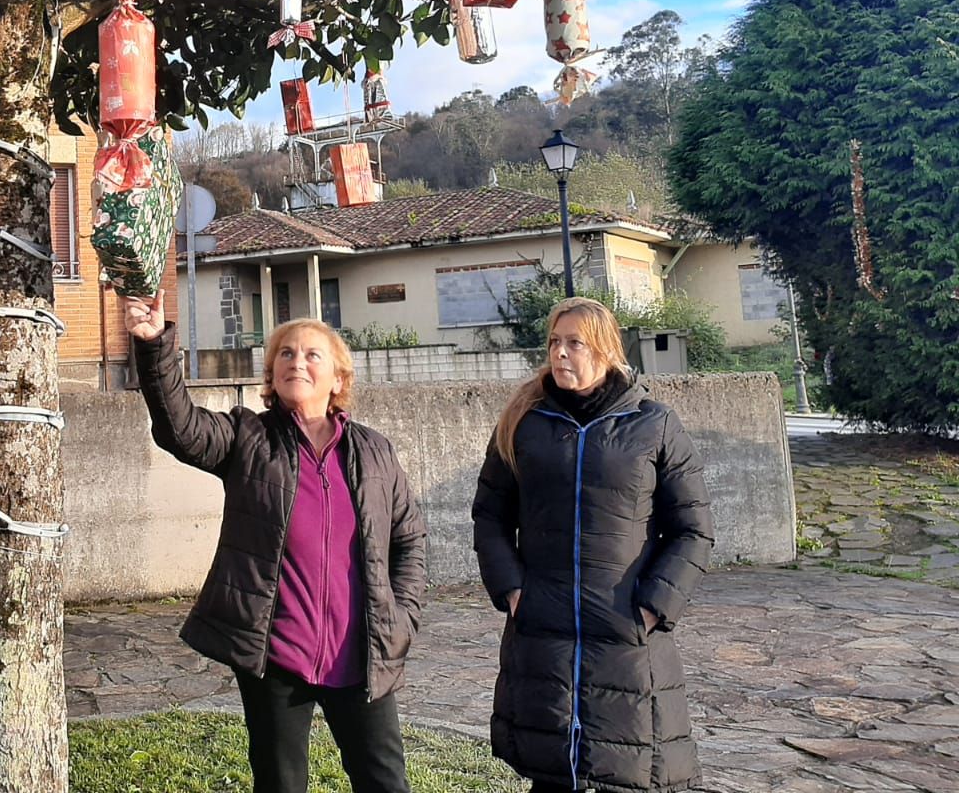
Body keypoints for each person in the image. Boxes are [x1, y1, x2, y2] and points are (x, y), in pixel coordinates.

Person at [124, 292, 427, 793]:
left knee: (385, 781)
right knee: (280, 783)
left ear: (339, 378)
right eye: (285, 353)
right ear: (271, 374)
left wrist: (402, 616)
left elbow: (409, 538)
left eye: (312, 354)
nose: (296, 362)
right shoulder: (248, 439)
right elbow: (180, 428)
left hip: (362, 651)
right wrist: (156, 345)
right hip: (278, 655)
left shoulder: (374, 451)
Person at [472, 297, 714, 793]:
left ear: (604, 349)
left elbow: (692, 528)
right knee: (552, 769)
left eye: (574, 343)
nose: (560, 353)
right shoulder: (524, 422)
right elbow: (489, 515)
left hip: (626, 631)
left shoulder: (653, 424)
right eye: (554, 342)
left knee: (626, 768)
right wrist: (513, 590)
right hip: (543, 628)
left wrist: (654, 606)